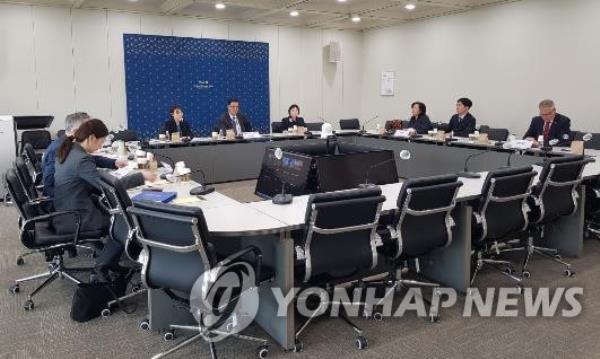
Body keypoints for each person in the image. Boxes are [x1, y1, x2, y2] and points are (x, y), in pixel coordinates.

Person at [53, 119, 155, 277]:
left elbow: (95, 172)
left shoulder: (71, 150)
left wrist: (113, 168)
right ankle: (102, 266)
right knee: (124, 224)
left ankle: (112, 262)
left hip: (65, 209)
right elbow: (108, 188)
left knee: (116, 214)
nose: (101, 147)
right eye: (101, 142)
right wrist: (140, 176)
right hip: (76, 216)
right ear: (91, 138)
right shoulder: (81, 159)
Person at [42, 112, 127, 197]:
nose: (93, 132)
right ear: (75, 131)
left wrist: (113, 162)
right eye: (89, 128)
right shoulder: (59, 148)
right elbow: (49, 184)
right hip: (62, 198)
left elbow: (88, 158)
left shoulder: (67, 143)